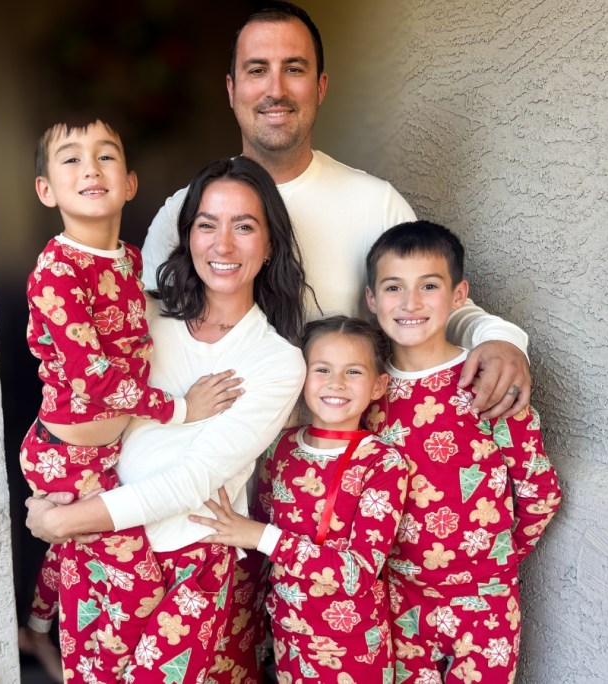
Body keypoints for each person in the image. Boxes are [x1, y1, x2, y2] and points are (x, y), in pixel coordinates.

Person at [142, 1, 532, 422]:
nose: (275, 89)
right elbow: (139, 342)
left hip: (332, 475)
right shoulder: (183, 213)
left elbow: (435, 307)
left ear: (321, 86)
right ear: (232, 89)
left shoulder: (373, 203)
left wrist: (502, 340)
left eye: (294, 69)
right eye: (257, 70)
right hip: (207, 471)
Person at [26, 155, 311, 683]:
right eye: (207, 224)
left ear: (269, 244)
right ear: (188, 237)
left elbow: (193, 480)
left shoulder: (275, 361)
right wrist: (51, 481)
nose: (222, 245)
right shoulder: (144, 316)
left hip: (189, 562)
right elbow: (71, 387)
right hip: (99, 551)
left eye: (244, 226)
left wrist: (62, 521)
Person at [363, 221, 562, 683]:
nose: (410, 303)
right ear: (372, 299)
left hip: (484, 602)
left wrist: (494, 561)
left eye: (428, 286)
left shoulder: (486, 380)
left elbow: (539, 489)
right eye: (394, 287)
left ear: (458, 296)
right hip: (397, 601)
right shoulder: (369, 394)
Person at [189, 315, 408, 682]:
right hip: (288, 640)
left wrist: (259, 536)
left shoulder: (383, 464)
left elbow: (358, 573)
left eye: (353, 372)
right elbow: (256, 530)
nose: (336, 383)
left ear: (378, 385)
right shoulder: (280, 447)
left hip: (354, 650)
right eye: (322, 369)